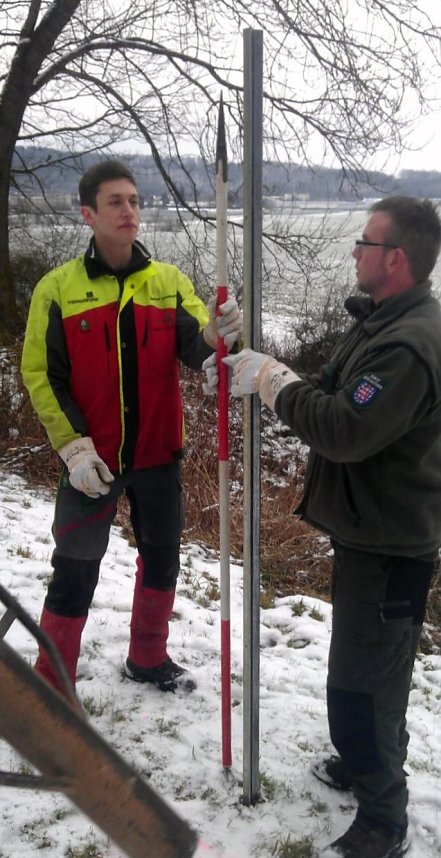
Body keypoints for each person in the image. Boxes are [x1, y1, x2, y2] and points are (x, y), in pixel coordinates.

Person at [204, 196, 441, 857]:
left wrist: (273, 381)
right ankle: (360, 762)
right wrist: (250, 357)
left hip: (392, 547)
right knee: (359, 673)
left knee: (367, 688)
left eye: (364, 243)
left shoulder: (408, 345)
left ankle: (383, 817)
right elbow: (327, 391)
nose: (353, 253)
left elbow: (342, 428)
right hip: (368, 533)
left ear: (394, 259)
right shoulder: (379, 322)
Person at [21, 158, 242, 695]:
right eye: (116, 202)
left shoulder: (167, 283)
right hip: (91, 459)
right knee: (75, 564)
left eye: (135, 201)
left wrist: (220, 334)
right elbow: (41, 373)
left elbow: (198, 348)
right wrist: (73, 448)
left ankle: (147, 657)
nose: (129, 210)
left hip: (157, 454)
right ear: (88, 214)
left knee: (163, 556)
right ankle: (52, 683)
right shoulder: (57, 288)